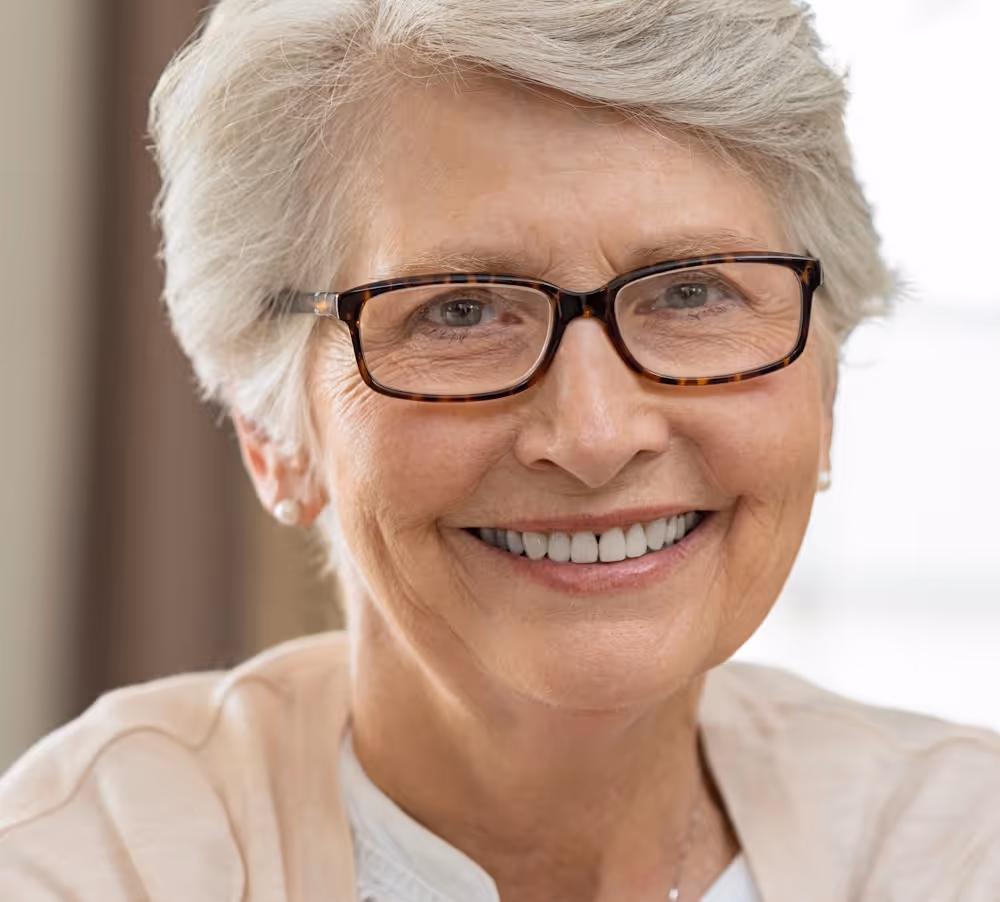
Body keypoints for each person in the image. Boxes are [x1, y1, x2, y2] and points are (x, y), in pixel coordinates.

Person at [2, 1, 999, 899]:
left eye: (692, 292)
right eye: (461, 309)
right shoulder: (89, 862)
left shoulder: (959, 844)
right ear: (272, 433)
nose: (596, 436)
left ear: (821, 390)